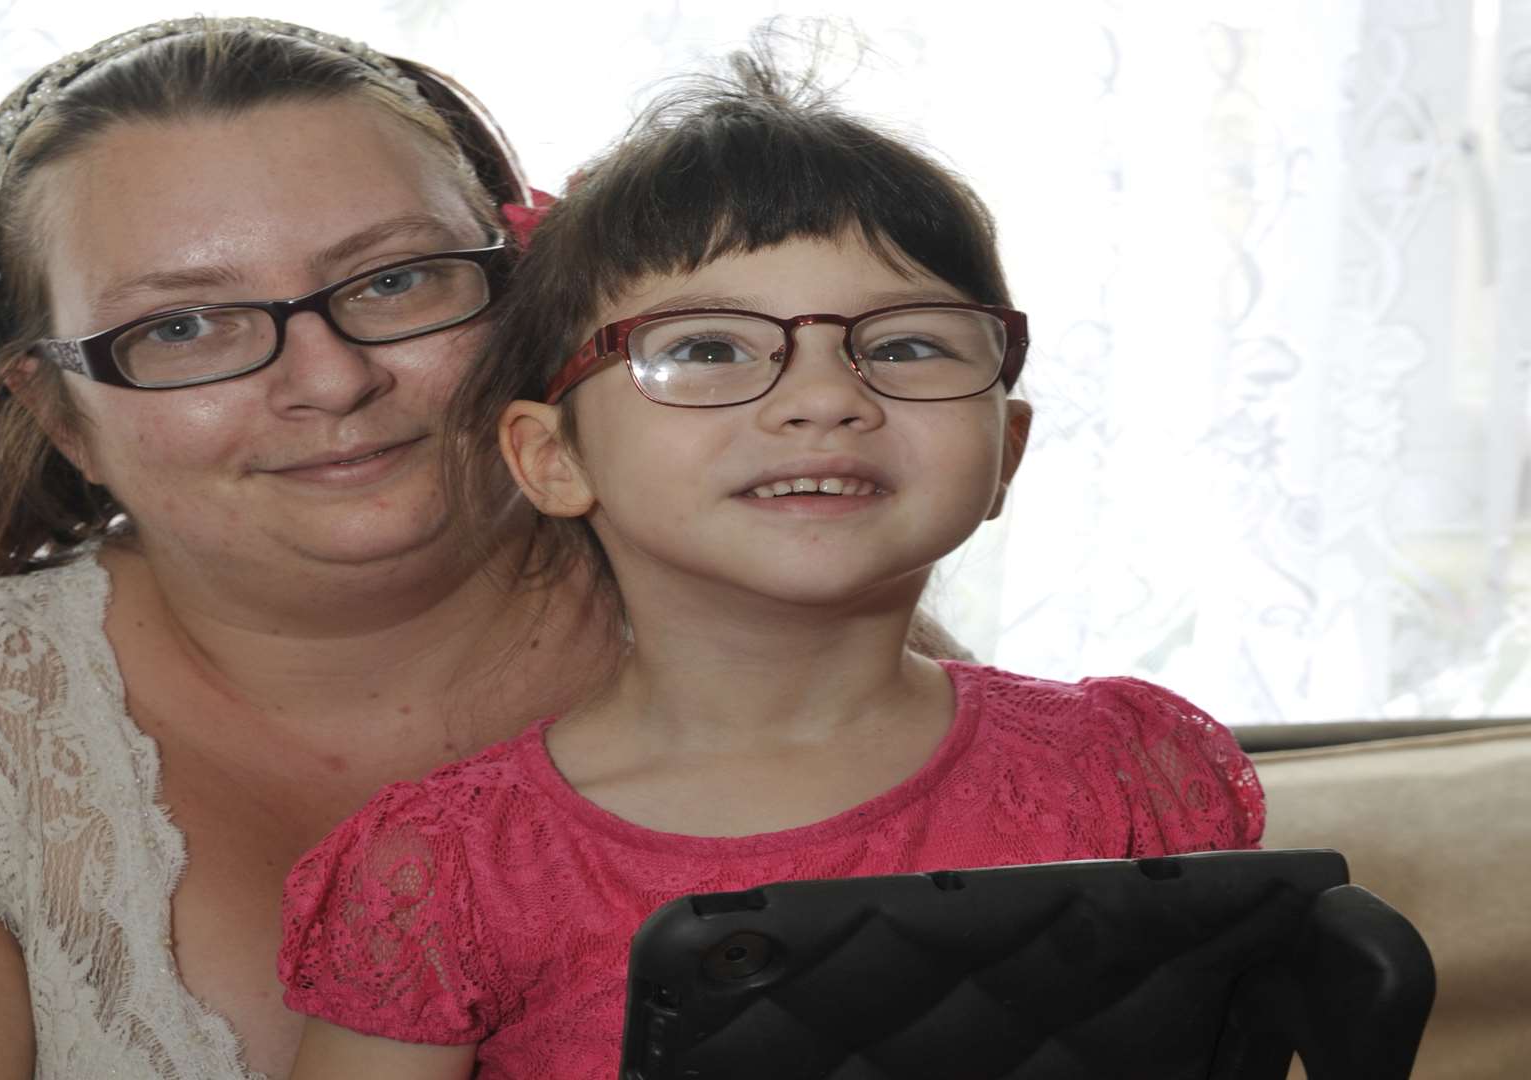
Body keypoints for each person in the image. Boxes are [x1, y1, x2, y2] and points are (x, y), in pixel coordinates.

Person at [0, 16, 972, 1080]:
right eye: (182, 327)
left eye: (398, 280)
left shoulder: (790, 614)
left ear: (527, 286)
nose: (331, 377)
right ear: (56, 411)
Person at [275, 47, 1268, 1080]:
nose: (825, 396)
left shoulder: (1130, 769)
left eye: (906, 345)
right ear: (554, 457)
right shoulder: (448, 869)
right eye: (708, 348)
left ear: (1005, 450)